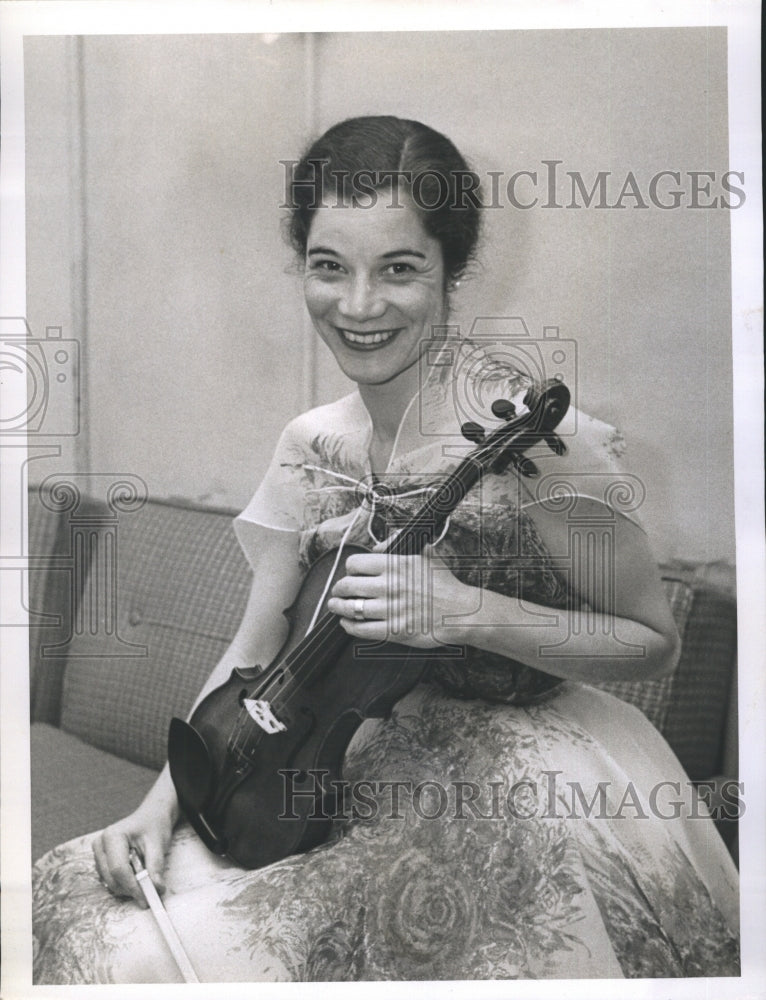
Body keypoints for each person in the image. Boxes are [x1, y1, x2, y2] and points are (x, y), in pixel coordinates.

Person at [32, 116, 739, 982]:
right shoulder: (309, 444)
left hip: (527, 790)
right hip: (342, 766)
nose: (359, 305)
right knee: (75, 900)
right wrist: (159, 804)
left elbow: (652, 640)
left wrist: (467, 612)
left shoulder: (537, 439)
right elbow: (258, 656)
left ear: (450, 272)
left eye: (399, 268)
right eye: (330, 267)